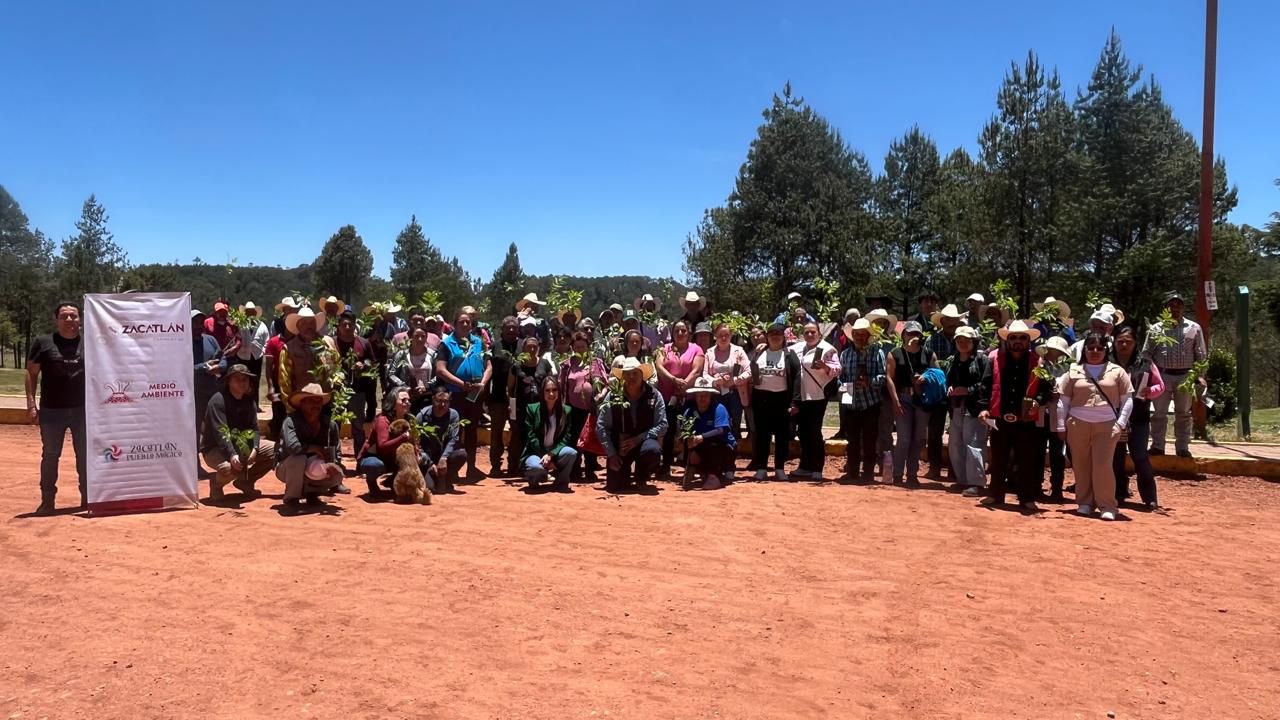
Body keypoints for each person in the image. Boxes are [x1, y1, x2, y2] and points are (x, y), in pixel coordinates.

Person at [1057, 331, 1135, 520]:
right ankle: (1084, 502)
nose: (1094, 351)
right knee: (1081, 465)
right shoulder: (1073, 371)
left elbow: (1127, 400)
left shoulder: (1117, 372)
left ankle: (1107, 505)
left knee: (1103, 465)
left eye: (1099, 348)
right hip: (1078, 424)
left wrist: (1120, 424)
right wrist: (1060, 426)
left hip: (1107, 426)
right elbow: (1063, 402)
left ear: (1106, 350)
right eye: (1090, 348)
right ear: (1084, 350)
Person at [978, 320, 1054, 512]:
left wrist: (1038, 401)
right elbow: (986, 386)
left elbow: (1046, 389)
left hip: (1026, 420)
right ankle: (995, 494)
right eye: (1013, 338)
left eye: (1022, 338)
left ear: (1028, 341)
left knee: (1026, 460)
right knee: (998, 459)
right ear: (1008, 340)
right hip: (1000, 417)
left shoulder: (1038, 363)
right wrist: (983, 408)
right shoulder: (995, 360)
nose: (1017, 341)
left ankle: (1027, 498)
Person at [26, 302, 87, 514]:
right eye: (64, 316)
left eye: (74, 316)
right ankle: (47, 501)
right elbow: (31, 373)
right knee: (51, 456)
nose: (69, 320)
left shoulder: (90, 343)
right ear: (56, 320)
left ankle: (88, 499)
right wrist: (31, 404)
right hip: (52, 411)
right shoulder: (43, 343)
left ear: (80, 319)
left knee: (85, 456)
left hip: (83, 411)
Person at [1145, 290, 1207, 458]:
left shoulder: (1193, 328)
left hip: (1185, 376)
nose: (1174, 308)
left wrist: (1200, 375)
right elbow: (1146, 353)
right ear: (1166, 308)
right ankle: (1157, 445)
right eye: (1171, 305)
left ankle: (1182, 447)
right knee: (1159, 413)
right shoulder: (1156, 329)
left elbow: (1201, 353)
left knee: (1184, 414)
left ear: (1183, 307)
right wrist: (1150, 375)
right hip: (1162, 376)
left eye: (1178, 304)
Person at [201, 364, 275, 501]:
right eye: (237, 379)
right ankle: (216, 484)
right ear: (228, 381)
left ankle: (245, 482)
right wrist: (232, 454)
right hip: (215, 449)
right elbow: (221, 434)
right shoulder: (218, 401)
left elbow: (254, 428)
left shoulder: (249, 400)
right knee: (230, 468)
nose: (242, 383)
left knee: (275, 450)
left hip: (242, 445)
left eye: (245, 379)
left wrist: (255, 448)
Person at [1111, 325, 1164, 510]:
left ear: (1135, 343)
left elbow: (1160, 385)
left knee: (1140, 457)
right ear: (1114, 342)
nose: (1124, 345)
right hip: (1113, 419)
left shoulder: (1146, 363)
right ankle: (1118, 494)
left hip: (1139, 417)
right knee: (1115, 457)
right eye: (1120, 341)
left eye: (1128, 341)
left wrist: (1151, 391)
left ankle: (1150, 498)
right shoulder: (1106, 362)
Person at [435, 311, 492, 479]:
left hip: (475, 394)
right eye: (462, 322)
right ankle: (452, 469)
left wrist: (482, 383)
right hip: (455, 394)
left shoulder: (478, 343)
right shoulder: (446, 344)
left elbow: (489, 367)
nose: (466, 325)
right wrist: (461, 384)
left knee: (472, 430)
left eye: (468, 322)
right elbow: (440, 369)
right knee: (455, 431)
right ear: (454, 324)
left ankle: (472, 468)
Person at [597, 357, 667, 494]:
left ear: (642, 375)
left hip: (644, 442)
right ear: (623, 377)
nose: (631, 377)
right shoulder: (613, 396)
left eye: (635, 373)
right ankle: (623, 475)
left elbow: (663, 425)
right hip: (621, 445)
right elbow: (601, 426)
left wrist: (639, 438)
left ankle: (642, 476)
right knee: (615, 487)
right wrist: (611, 454)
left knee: (653, 450)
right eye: (627, 374)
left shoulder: (654, 395)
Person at [276, 383, 343, 514]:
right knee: (298, 459)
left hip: (313, 466)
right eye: (311, 401)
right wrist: (313, 448)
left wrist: (334, 464)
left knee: (336, 474)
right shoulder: (290, 421)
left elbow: (336, 450)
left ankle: (312, 493)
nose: (316, 405)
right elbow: (293, 447)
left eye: (319, 401)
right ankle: (292, 498)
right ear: (302, 403)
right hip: (287, 467)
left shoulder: (330, 425)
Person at [885, 321, 937, 485]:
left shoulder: (929, 354)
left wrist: (926, 378)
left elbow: (938, 375)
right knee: (904, 438)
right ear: (903, 335)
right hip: (903, 398)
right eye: (910, 333)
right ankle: (898, 473)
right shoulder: (895, 353)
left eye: (916, 334)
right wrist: (895, 401)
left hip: (923, 399)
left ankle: (912, 474)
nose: (913, 337)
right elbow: (889, 378)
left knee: (918, 439)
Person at [750, 323, 801, 481]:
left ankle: (779, 468)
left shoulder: (789, 354)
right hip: (761, 399)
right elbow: (751, 370)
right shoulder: (759, 352)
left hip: (782, 399)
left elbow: (797, 378)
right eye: (772, 334)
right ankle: (761, 468)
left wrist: (794, 401)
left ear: (783, 337)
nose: (775, 337)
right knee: (762, 435)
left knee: (782, 436)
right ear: (767, 336)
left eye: (778, 334)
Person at [655, 319, 706, 474]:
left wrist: (684, 384)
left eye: (683, 330)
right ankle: (665, 465)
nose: (680, 333)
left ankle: (687, 464)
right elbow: (659, 366)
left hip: (689, 397)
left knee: (688, 429)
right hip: (668, 397)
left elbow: (697, 370)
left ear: (689, 333)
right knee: (668, 431)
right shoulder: (664, 349)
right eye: (677, 330)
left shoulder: (696, 349)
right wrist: (674, 380)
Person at [837, 318, 885, 483]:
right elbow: (841, 377)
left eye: (862, 334)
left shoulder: (877, 352)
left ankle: (868, 473)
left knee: (870, 439)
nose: (859, 337)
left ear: (867, 336)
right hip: (851, 403)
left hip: (870, 402)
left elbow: (883, 376)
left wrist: (870, 382)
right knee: (852, 440)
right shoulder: (845, 354)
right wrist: (842, 387)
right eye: (856, 334)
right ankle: (852, 472)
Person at [792, 321, 840, 480]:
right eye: (806, 332)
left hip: (818, 395)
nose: (810, 335)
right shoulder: (798, 348)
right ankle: (805, 466)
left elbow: (838, 369)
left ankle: (817, 468)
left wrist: (826, 367)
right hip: (801, 395)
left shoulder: (827, 349)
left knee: (814, 431)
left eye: (813, 332)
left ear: (819, 333)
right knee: (802, 431)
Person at [357, 387, 427, 496]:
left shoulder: (411, 419)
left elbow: (415, 441)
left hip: (395, 458)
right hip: (378, 457)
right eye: (403, 400)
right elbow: (383, 447)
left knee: (424, 458)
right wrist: (402, 437)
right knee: (374, 465)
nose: (407, 403)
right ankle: (371, 483)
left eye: (408, 400)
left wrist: (417, 454)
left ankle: (392, 481)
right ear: (393, 403)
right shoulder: (382, 420)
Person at [945, 326, 989, 496]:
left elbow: (986, 384)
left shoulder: (982, 360)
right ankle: (962, 479)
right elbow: (949, 380)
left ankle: (976, 482)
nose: (962, 343)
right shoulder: (953, 360)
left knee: (974, 444)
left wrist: (967, 390)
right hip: (956, 406)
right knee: (955, 444)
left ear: (974, 342)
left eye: (967, 340)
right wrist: (950, 387)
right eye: (959, 340)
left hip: (974, 407)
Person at [560, 331, 608, 481]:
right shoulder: (567, 364)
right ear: (572, 348)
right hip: (572, 409)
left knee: (590, 439)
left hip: (591, 408)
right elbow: (561, 385)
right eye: (577, 347)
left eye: (582, 347)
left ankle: (590, 469)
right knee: (574, 439)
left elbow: (606, 383)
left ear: (588, 347)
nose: (580, 350)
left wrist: (601, 396)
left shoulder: (595, 363)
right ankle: (574, 470)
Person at [331, 310, 377, 457]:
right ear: (338, 326)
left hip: (358, 392)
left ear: (355, 325)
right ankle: (334, 457)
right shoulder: (331, 343)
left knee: (358, 426)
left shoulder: (363, 343)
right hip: (337, 392)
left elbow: (372, 363)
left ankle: (360, 457)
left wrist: (364, 365)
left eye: (350, 325)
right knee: (334, 425)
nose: (347, 327)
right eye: (344, 324)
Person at [926, 303, 964, 477]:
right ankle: (934, 466)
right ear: (942, 321)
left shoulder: (962, 339)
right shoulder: (931, 340)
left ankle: (954, 469)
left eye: (954, 320)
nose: (952, 323)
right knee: (935, 430)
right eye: (948, 319)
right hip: (937, 391)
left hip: (957, 390)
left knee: (957, 431)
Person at [522, 376, 579, 491]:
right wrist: (545, 455)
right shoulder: (532, 409)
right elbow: (531, 437)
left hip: (554, 452)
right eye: (547, 390)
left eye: (554, 390)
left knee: (571, 453)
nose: (551, 393)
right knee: (536, 468)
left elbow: (566, 437)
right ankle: (535, 480)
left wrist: (551, 455)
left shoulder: (566, 411)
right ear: (542, 392)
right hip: (535, 452)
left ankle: (561, 483)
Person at [680, 377, 736, 489]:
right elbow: (684, 429)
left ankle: (714, 476)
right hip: (699, 444)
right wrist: (688, 441)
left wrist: (702, 437)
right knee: (689, 448)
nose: (702, 398)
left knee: (713, 445)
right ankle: (696, 469)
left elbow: (721, 430)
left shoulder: (719, 408)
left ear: (711, 396)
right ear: (695, 396)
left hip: (723, 446)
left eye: (705, 395)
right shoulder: (689, 411)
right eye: (699, 395)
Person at [278, 306, 336, 412]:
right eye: (304, 323)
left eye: (311, 323)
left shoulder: (328, 343)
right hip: (301, 404)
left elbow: (337, 369)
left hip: (327, 403)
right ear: (298, 326)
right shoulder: (289, 348)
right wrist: (290, 407)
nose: (308, 326)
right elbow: (284, 381)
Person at [1036, 336, 1073, 500]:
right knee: (1038, 451)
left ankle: (1057, 487)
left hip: (1059, 415)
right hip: (1040, 413)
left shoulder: (1068, 370)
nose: (1053, 353)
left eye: (1057, 351)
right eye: (1051, 350)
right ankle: (1036, 484)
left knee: (1057, 453)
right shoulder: (1038, 366)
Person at [702, 323, 751, 439]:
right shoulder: (709, 352)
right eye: (720, 335)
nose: (723, 338)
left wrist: (734, 380)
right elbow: (705, 374)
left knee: (735, 424)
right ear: (715, 336)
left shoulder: (739, 351)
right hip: (716, 394)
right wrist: (715, 381)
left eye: (726, 335)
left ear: (731, 336)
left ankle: (734, 445)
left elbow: (748, 371)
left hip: (735, 394)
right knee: (718, 424)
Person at [417, 383, 469, 494]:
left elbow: (453, 439)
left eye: (446, 401)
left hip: (445, 455)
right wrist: (430, 463)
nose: (443, 404)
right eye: (439, 401)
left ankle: (446, 478)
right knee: (430, 488)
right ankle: (435, 478)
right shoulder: (422, 416)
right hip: (427, 457)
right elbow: (417, 444)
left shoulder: (453, 415)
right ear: (433, 400)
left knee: (461, 454)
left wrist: (444, 458)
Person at [485, 316, 520, 476]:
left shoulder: (523, 346)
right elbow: (488, 371)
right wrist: (486, 395)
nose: (511, 330)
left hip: (516, 399)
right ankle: (495, 466)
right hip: (497, 398)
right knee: (496, 432)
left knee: (516, 431)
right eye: (508, 327)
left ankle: (514, 464)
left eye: (514, 327)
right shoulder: (494, 347)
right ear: (502, 329)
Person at [866, 307, 899, 473]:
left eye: (882, 323)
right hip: (868, 392)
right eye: (877, 322)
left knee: (885, 429)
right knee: (869, 429)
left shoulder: (894, 345)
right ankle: (869, 461)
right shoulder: (866, 344)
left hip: (886, 393)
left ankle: (886, 464)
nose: (880, 326)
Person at [192, 309, 225, 448]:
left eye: (201, 322)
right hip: (195, 393)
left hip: (213, 391)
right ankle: (195, 456)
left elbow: (222, 357)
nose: (198, 326)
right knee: (195, 425)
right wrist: (204, 366)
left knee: (218, 423)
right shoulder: (183, 343)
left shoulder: (211, 340)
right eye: (195, 322)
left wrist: (220, 367)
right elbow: (182, 368)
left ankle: (216, 452)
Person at [389, 327, 438, 415]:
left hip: (427, 396)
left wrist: (427, 386)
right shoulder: (401, 355)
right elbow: (391, 374)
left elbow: (439, 374)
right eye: (416, 336)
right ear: (410, 337)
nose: (420, 339)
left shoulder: (433, 355)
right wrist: (405, 387)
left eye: (423, 336)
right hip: (406, 397)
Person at [231, 302, 269, 405]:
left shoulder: (262, 325)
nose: (250, 314)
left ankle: (255, 403)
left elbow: (267, 340)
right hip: (242, 356)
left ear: (255, 313)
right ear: (245, 313)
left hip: (257, 357)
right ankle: (242, 402)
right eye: (248, 312)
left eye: (252, 312)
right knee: (242, 380)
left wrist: (263, 351)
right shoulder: (239, 324)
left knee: (256, 380)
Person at [263, 320, 291, 440]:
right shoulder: (273, 342)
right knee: (278, 413)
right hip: (278, 384)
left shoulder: (298, 341)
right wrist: (271, 387)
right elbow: (268, 367)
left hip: (294, 385)